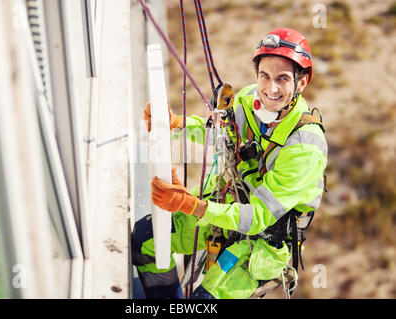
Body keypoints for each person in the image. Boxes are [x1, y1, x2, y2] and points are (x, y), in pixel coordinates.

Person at [132, 28, 328, 299]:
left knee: (204, 301)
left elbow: (257, 218)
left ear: (302, 81)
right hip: (227, 209)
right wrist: (177, 125)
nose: (271, 88)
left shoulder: (305, 148)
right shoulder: (249, 101)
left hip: (261, 244)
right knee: (145, 239)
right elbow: (219, 131)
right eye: (265, 76)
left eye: (282, 79)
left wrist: (194, 206)